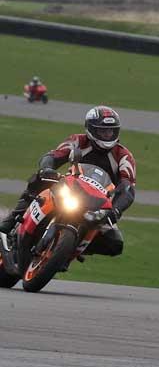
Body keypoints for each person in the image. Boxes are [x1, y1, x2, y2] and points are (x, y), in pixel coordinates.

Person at [0, 106, 136, 257]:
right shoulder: (78, 140)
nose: (107, 135)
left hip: (98, 204)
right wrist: (47, 168)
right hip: (71, 186)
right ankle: (14, 218)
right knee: (40, 179)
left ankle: (68, 249)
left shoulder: (124, 156)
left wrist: (116, 210)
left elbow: (128, 189)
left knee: (115, 244)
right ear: (90, 129)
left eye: (111, 131)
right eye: (102, 131)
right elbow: (53, 156)